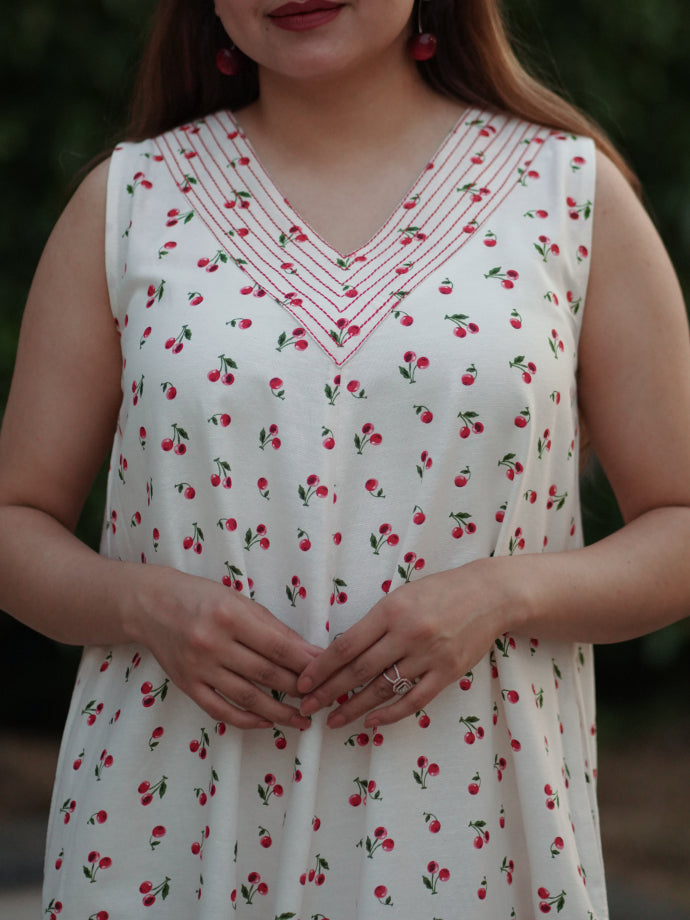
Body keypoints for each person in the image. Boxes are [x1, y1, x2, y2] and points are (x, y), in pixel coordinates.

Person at [1, 0, 689, 916]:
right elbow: (15, 523)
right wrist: (143, 604)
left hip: (471, 826)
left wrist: (500, 596)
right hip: (169, 836)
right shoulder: (130, 201)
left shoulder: (566, 192)